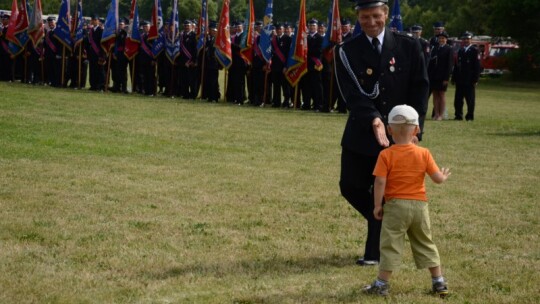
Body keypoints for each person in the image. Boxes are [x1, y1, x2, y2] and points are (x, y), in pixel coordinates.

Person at [334, 0, 429, 266]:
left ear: (386, 14)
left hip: (399, 136)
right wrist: (374, 119)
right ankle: (388, 221)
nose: (371, 22)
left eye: (376, 16)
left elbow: (420, 88)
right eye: (365, 17)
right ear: (358, 17)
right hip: (362, 132)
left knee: (388, 192)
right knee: (350, 186)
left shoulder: (409, 46)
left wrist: (414, 128)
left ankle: (374, 253)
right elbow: (350, 94)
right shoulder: (346, 50)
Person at [363, 104, 451, 298]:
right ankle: (439, 282)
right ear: (417, 130)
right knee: (425, 242)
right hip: (420, 206)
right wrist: (443, 177)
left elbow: (379, 181)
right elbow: (436, 178)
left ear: (389, 129)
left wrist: (378, 205)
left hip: (395, 207)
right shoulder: (424, 153)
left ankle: (381, 284)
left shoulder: (386, 155)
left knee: (390, 244)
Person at [451, 31, 481, 121]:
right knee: (458, 99)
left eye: (468, 39)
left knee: (470, 99)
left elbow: (477, 66)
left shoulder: (475, 51)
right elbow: (457, 66)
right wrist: (454, 77)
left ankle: (470, 116)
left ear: (471, 40)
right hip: (460, 79)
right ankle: (458, 115)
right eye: (464, 39)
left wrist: (475, 79)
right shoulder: (460, 50)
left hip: (469, 79)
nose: (466, 40)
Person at [428, 31, 453, 120]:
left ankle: (441, 115)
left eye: (443, 38)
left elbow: (449, 65)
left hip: (442, 76)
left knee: (441, 95)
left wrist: (446, 77)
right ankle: (436, 114)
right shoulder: (435, 48)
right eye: (440, 38)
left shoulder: (449, 49)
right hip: (434, 75)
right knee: (435, 95)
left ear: (446, 39)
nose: (441, 40)